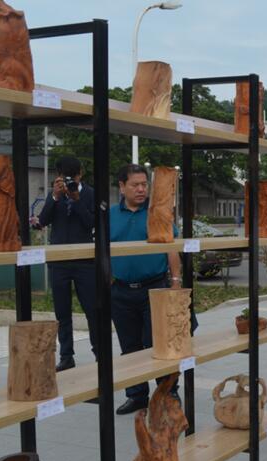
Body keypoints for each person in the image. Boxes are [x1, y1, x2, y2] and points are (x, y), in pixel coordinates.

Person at [110, 164, 183, 415]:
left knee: (161, 344)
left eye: (144, 184)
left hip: (155, 289)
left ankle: (168, 393)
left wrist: (176, 282)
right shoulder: (109, 215)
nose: (141, 189)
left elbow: (171, 247)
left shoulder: (157, 212)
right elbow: (103, 252)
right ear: (122, 187)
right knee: (129, 347)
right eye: (135, 185)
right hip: (121, 292)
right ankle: (137, 395)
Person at [36, 156, 97, 371]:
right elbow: (43, 221)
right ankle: (66, 356)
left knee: (92, 310)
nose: (69, 180)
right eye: (65, 176)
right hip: (59, 261)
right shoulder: (56, 195)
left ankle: (99, 353)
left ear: (81, 174)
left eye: (73, 176)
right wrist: (54, 196)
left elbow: (92, 223)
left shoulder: (90, 194)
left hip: (85, 261)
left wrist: (77, 200)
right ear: (58, 176)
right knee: (62, 312)